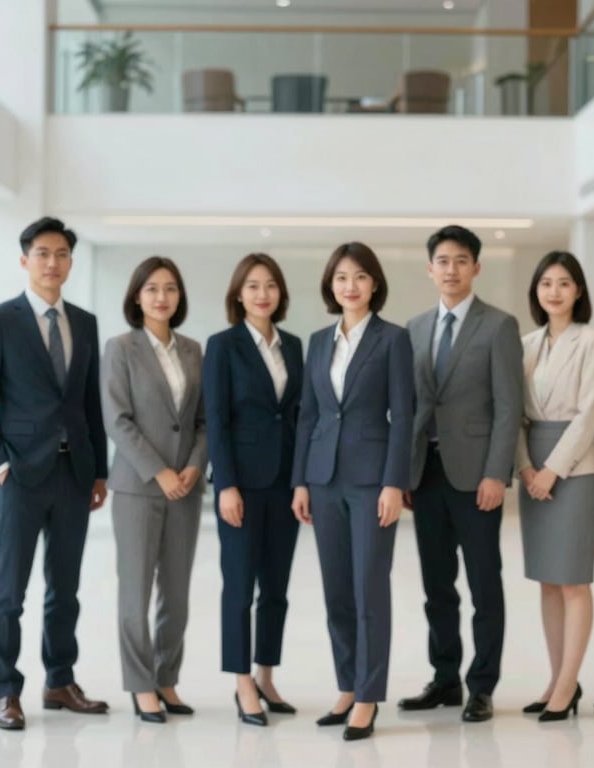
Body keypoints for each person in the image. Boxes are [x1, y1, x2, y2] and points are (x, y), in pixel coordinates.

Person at [0, 217, 109, 730]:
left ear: (71, 262)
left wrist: (99, 471)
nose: (53, 262)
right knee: (9, 593)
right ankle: (6, 691)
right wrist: (0, 465)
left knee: (64, 589)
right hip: (20, 477)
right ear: (25, 260)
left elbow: (88, 403)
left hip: (74, 475)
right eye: (43, 253)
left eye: (62, 254)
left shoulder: (84, 323)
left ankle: (60, 681)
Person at [399, 224, 522, 723]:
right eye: (443, 261)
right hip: (426, 473)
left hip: (476, 477)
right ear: (430, 269)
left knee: (484, 584)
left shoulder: (499, 326)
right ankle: (445, 678)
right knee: (437, 585)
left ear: (476, 267)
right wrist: (404, 474)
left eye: (461, 260)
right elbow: (410, 406)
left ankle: (482, 685)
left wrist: (497, 473)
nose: (451, 269)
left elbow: (508, 407)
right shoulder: (414, 328)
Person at [291, 242, 413, 741]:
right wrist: (300, 480)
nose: (350, 285)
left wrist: (394, 482)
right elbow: (308, 414)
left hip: (370, 481)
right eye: (341, 277)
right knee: (337, 591)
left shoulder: (393, 339)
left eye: (360, 276)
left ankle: (368, 696)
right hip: (323, 479)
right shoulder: (319, 341)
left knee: (369, 588)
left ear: (374, 284)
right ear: (331, 285)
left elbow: (404, 415)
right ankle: (347, 685)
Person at [101, 256, 207, 724]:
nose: (161, 297)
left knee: (177, 593)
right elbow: (117, 421)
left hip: (186, 487)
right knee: (136, 591)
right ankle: (140, 685)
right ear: (137, 297)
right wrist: (159, 471)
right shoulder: (121, 348)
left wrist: (194, 465)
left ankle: (166, 678)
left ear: (179, 297)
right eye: (152, 289)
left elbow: (203, 420)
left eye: (170, 288)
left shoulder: (194, 351)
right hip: (138, 487)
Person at [203, 253, 303, 727]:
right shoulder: (223, 346)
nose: (263, 294)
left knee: (276, 588)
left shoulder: (295, 346)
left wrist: (302, 480)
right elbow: (216, 420)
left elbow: (300, 417)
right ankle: (242, 681)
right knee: (240, 586)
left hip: (285, 483)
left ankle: (265, 675)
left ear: (281, 293)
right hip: (241, 484)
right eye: (253, 286)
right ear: (238, 295)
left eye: (271, 286)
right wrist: (226, 485)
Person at [515, 251, 594, 722]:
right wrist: (525, 468)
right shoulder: (525, 343)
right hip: (531, 463)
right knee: (548, 581)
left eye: (564, 283)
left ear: (578, 291)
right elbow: (513, 412)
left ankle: (569, 683)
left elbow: (591, 412)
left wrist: (552, 470)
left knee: (573, 579)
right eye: (546, 283)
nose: (554, 291)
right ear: (536, 291)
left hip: (574, 468)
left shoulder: (592, 340)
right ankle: (557, 681)